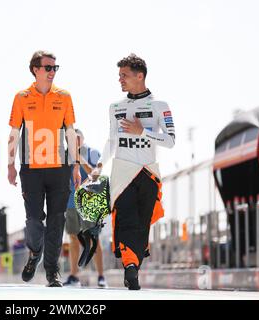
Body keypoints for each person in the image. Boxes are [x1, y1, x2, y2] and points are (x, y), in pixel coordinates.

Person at [91, 53, 175, 290]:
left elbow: (170, 141)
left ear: (140, 76)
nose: (120, 80)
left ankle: (133, 267)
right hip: (122, 172)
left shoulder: (160, 106)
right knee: (125, 220)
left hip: (148, 172)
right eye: (119, 76)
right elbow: (111, 141)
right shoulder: (115, 107)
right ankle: (129, 267)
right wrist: (98, 167)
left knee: (141, 224)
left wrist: (143, 132)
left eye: (124, 75)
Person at [7, 50, 81, 287]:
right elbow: (14, 133)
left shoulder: (65, 97)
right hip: (31, 168)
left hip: (59, 168)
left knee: (57, 221)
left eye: (54, 68)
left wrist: (76, 165)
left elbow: (71, 132)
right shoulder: (21, 97)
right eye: (48, 68)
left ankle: (52, 272)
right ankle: (34, 252)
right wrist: (10, 164)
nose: (52, 72)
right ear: (35, 70)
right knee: (34, 219)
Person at [63, 129, 107, 288]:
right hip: (70, 204)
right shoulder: (64, 155)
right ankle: (74, 276)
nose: (74, 141)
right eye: (70, 139)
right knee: (73, 239)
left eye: (77, 138)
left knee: (94, 239)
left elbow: (97, 175)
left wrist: (80, 160)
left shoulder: (93, 153)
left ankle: (101, 276)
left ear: (83, 138)